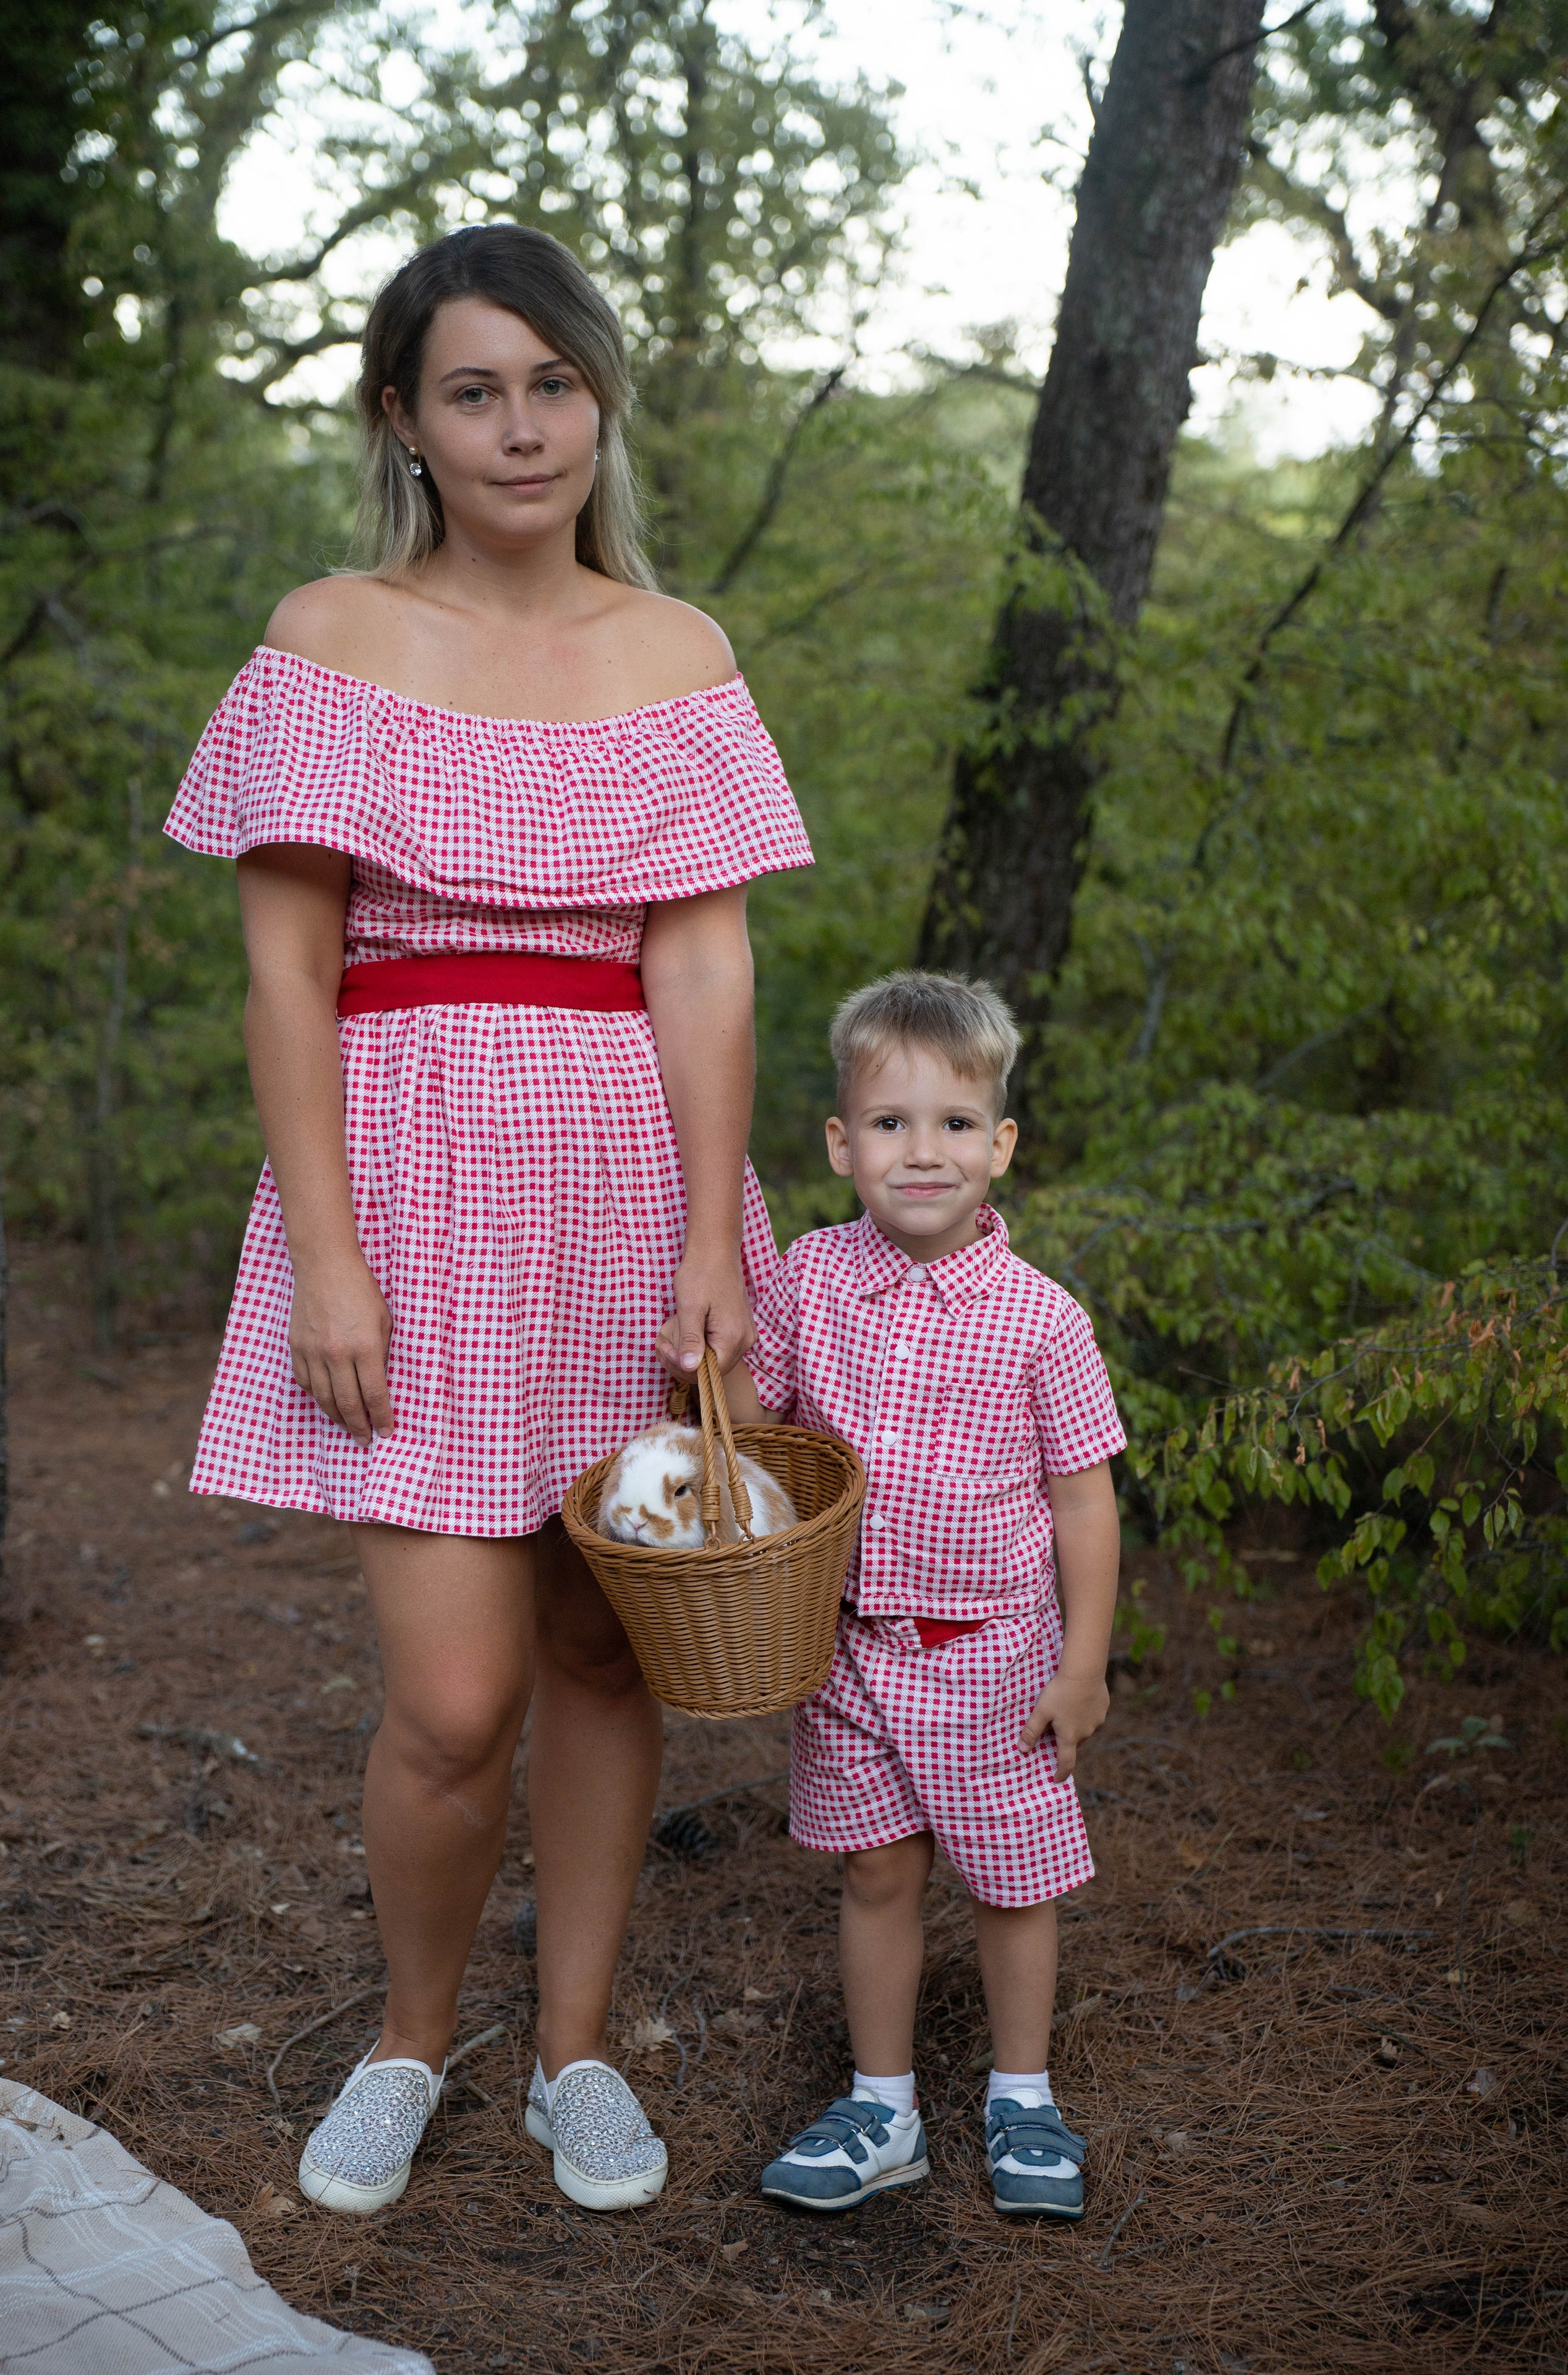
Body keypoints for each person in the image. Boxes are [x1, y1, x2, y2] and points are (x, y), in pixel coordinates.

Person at [163, 224, 812, 2218]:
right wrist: (328, 1248)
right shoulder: (330, 633)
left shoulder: (675, 650)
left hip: (633, 1182)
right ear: (405, 421)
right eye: (474, 389)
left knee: (607, 1660)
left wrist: (714, 1240)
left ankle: (578, 2052)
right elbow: (289, 975)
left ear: (598, 400)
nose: (521, 426)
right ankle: (408, 2036)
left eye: (552, 382)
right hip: (413, 1188)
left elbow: (700, 971)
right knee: (455, 1700)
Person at [721, 970, 1123, 2219]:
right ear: (842, 1145)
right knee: (876, 1875)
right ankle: (881, 2105)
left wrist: (1082, 1663)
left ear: (999, 1144)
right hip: (846, 1653)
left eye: (953, 1125)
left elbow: (1081, 1497)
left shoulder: (1039, 1320)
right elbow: (756, 1430)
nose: (922, 1152)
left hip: (995, 1656)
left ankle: (1022, 2097)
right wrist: (714, 1362)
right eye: (890, 1124)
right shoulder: (808, 1276)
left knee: (1012, 1881)